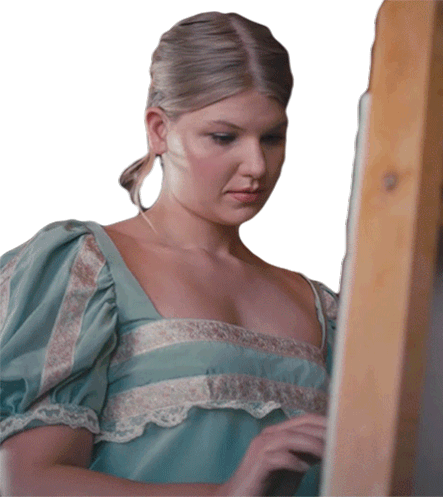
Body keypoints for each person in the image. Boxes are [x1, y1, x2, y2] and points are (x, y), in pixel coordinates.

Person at [0, 11, 339, 496]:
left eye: (272, 137)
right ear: (159, 130)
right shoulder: (88, 270)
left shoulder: (323, 309)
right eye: (224, 137)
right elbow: (27, 483)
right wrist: (225, 494)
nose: (257, 165)